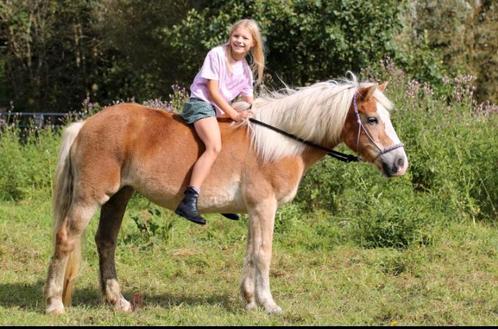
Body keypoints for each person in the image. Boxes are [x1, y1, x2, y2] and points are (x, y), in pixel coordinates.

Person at [175, 19, 265, 225]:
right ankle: (189, 200)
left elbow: (248, 99)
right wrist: (234, 114)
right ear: (230, 36)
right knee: (214, 146)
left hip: (218, 110)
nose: (239, 41)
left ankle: (219, 197)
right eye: (236, 36)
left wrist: (247, 110)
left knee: (235, 142)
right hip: (201, 103)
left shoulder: (245, 70)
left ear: (252, 44)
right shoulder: (216, 54)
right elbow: (213, 91)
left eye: (245, 38)